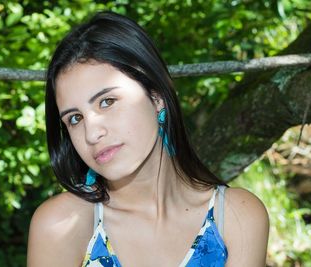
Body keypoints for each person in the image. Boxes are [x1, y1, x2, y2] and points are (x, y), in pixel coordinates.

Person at [27, 11, 269, 267]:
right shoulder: (62, 226)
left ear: (156, 97)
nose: (92, 133)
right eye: (75, 118)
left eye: (107, 102)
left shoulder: (235, 218)